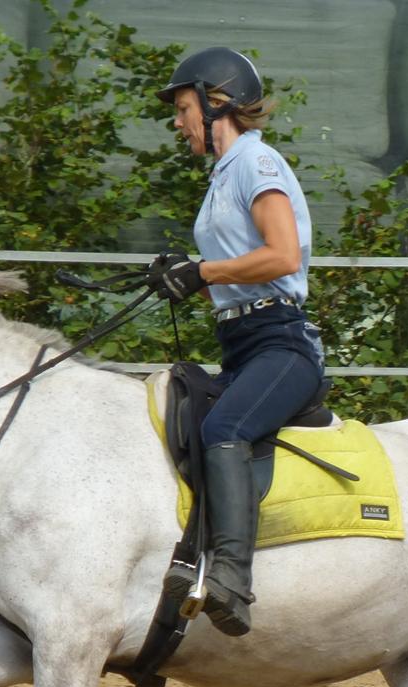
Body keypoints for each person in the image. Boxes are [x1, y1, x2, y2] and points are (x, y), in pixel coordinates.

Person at [148, 46, 327, 637]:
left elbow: (280, 256)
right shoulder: (222, 176)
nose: (179, 123)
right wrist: (184, 277)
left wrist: (205, 271)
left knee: (224, 429)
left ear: (212, 101)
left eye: (182, 109)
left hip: (282, 344)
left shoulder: (257, 162)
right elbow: (231, 276)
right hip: (241, 339)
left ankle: (230, 579)